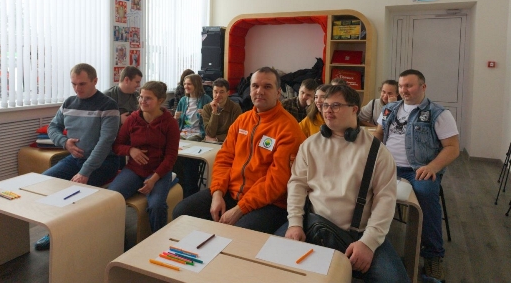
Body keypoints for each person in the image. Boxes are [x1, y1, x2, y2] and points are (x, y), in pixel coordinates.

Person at [278, 84, 409, 282]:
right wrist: (295, 223)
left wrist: (368, 243)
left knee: (395, 280)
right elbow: (297, 185)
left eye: (336, 105)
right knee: (271, 264)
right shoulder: (310, 145)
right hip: (311, 225)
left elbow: (385, 201)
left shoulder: (377, 152)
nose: (328, 111)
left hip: (358, 235)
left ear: (354, 109)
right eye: (325, 105)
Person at [172, 67, 307, 234]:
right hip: (231, 192)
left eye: (267, 87)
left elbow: (276, 181)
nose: (260, 91)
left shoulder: (289, 129)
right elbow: (224, 159)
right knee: (182, 212)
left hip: (268, 203)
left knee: (236, 234)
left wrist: (240, 209)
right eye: (255, 86)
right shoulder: (242, 120)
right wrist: (217, 193)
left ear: (278, 92)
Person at [374, 69, 460, 282]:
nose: (404, 90)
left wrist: (432, 167)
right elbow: (379, 134)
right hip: (387, 167)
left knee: (425, 194)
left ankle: (433, 255)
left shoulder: (438, 114)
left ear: (423, 87)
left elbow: (452, 148)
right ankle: (367, 241)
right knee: (359, 187)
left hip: (419, 170)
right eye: (401, 86)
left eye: (409, 86)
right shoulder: (389, 109)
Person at [35, 63, 120, 251]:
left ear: (95, 81)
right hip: (75, 158)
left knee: (73, 192)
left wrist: (85, 172)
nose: (77, 88)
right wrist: (65, 142)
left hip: (103, 162)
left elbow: (105, 142)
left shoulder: (108, 105)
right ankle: (56, 231)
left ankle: (71, 233)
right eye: (73, 84)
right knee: (44, 183)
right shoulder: (69, 103)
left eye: (82, 84)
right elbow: (52, 127)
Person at [108, 81, 179, 233]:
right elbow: (117, 145)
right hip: (134, 170)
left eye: (148, 98)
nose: (142, 101)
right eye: (141, 97)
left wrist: (154, 179)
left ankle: (158, 239)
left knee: (156, 206)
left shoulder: (170, 123)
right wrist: (130, 150)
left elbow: (171, 157)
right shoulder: (133, 119)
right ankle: (116, 238)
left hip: (158, 172)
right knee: (111, 198)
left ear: (160, 100)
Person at [174, 73, 212, 198]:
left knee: (189, 159)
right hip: (183, 133)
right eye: (185, 84)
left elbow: (213, 119)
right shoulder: (183, 100)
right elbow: (177, 121)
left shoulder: (206, 99)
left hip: (197, 134)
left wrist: (205, 114)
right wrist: (175, 118)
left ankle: (190, 190)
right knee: (174, 154)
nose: (186, 86)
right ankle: (179, 187)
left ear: (196, 84)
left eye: (189, 84)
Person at [202, 78, 242, 143]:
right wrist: (214, 112)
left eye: (222, 92)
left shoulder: (235, 108)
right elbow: (210, 133)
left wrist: (217, 138)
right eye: (215, 92)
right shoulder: (206, 108)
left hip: (228, 142)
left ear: (228, 93)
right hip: (209, 142)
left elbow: (237, 132)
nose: (218, 95)